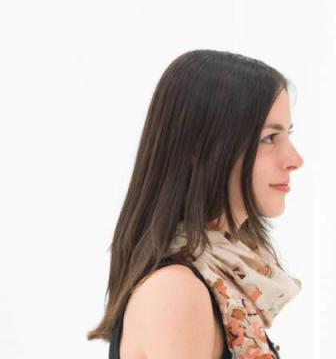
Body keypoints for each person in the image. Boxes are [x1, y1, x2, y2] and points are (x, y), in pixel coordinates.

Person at [87, 50, 304, 358]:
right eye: (269, 138)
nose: (295, 160)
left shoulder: (217, 274)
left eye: (288, 135)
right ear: (200, 151)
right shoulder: (176, 291)